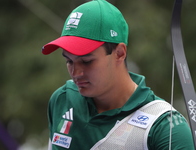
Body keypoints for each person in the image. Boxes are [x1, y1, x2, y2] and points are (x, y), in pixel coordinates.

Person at [42, 0, 195, 149]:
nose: (75, 73)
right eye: (69, 61)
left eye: (87, 61)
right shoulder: (62, 99)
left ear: (120, 53)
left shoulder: (164, 126)